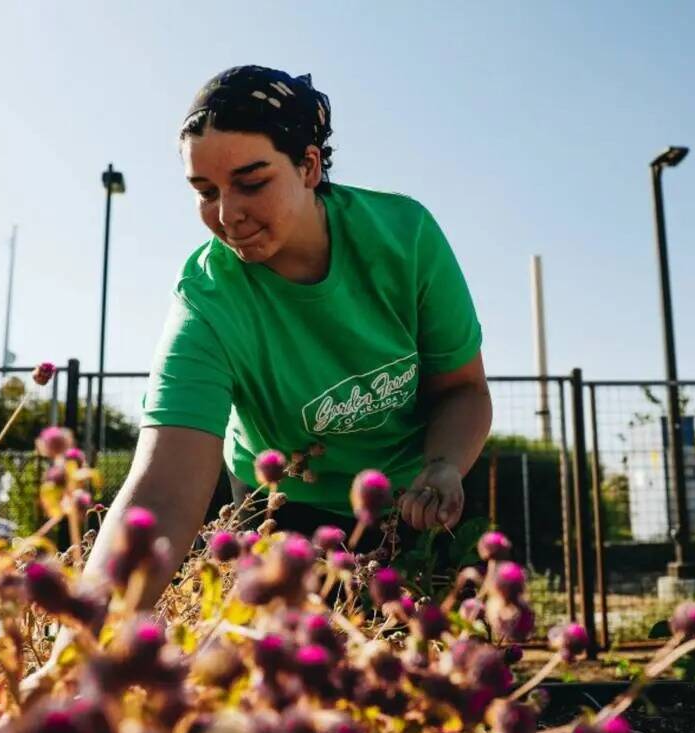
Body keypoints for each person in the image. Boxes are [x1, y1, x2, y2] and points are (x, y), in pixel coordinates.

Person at [33, 65, 491, 679]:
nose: (227, 215)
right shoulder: (208, 298)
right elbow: (161, 490)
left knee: (440, 683)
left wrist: (442, 466)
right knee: (286, 682)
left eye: (251, 182)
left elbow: (462, 391)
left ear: (308, 166)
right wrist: (79, 650)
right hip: (284, 511)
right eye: (204, 190)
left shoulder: (404, 237)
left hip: (420, 500)